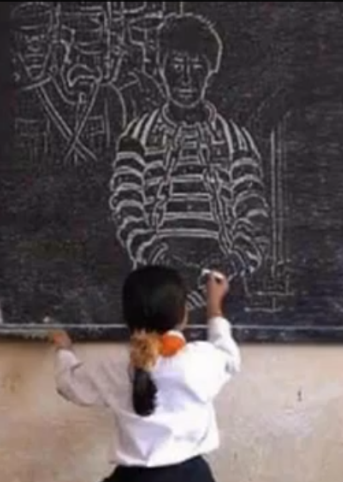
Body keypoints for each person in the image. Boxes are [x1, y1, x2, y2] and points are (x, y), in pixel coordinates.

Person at [108, 13, 269, 309]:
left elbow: (254, 216)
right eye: (176, 66)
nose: (186, 79)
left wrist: (229, 263)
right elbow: (127, 211)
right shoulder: (137, 135)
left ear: (210, 73)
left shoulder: (236, 139)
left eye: (197, 68)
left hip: (222, 290)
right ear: (161, 69)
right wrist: (163, 260)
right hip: (157, 286)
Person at [49, 266, 241, 481]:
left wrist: (64, 350)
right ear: (183, 315)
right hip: (192, 476)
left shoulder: (114, 366)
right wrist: (214, 307)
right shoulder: (199, 360)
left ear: (127, 318)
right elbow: (229, 358)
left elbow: (68, 383)